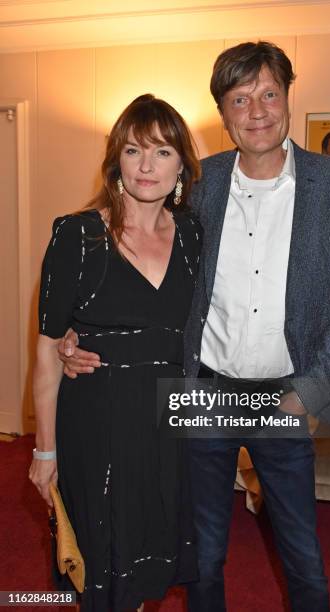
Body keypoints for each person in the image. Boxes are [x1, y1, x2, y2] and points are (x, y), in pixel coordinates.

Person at [60, 42, 330, 612]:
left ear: (287, 97)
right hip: (203, 392)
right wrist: (79, 336)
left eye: (269, 94)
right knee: (201, 554)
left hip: (287, 396)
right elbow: (149, 269)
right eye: (240, 98)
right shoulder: (200, 183)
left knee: (303, 555)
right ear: (223, 114)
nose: (257, 111)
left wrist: (313, 392)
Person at [29, 94, 202, 612]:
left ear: (181, 168)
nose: (147, 166)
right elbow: (45, 353)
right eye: (133, 150)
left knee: (147, 557)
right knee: (100, 564)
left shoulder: (194, 234)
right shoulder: (77, 235)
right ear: (116, 161)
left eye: (163, 152)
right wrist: (44, 451)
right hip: (98, 425)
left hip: (167, 424)